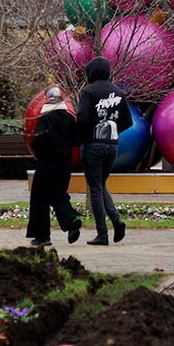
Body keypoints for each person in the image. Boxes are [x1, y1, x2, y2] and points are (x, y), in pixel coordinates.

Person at [75, 57, 132, 245]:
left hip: (93, 145)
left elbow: (82, 118)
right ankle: (116, 220)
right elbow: (127, 121)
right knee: (100, 183)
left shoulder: (88, 92)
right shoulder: (118, 92)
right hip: (112, 145)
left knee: (95, 188)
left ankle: (102, 234)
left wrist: (81, 136)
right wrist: (112, 130)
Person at [26, 86, 82, 247]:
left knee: (39, 199)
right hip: (65, 163)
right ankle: (71, 221)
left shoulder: (44, 118)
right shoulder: (69, 118)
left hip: (47, 163)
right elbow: (76, 141)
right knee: (58, 194)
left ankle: (42, 236)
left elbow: (38, 140)